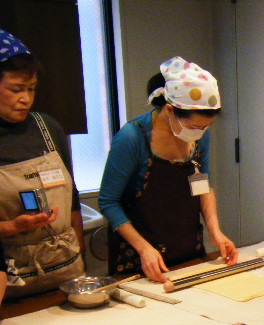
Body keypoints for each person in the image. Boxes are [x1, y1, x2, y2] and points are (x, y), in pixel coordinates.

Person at [99, 57, 238, 283]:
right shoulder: (132, 138)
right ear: (171, 110)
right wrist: (143, 248)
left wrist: (216, 232)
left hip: (187, 249)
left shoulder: (199, 136)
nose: (199, 133)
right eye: (194, 126)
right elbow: (108, 202)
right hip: (140, 257)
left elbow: (204, 186)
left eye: (206, 127)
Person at [0, 29, 85, 299]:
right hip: (11, 284)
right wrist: (13, 227)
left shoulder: (47, 127)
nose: (25, 98)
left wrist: (79, 256)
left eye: (31, 88)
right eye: (16, 89)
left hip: (66, 272)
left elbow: (72, 200)